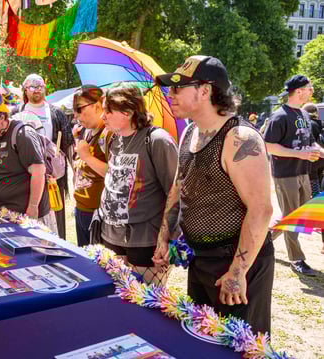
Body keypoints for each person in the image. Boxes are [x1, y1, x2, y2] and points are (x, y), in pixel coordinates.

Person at [153, 55, 275, 334]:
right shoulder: (190, 132)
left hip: (235, 264)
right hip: (200, 259)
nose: (170, 95)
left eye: (178, 88)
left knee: (238, 346)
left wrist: (238, 272)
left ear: (205, 90)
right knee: (201, 339)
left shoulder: (240, 138)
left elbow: (261, 210)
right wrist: (164, 235)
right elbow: (177, 188)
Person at [97, 85, 178, 285]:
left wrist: (167, 238)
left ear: (128, 111)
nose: (103, 117)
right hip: (111, 236)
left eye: (108, 111)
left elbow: (176, 192)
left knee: (146, 304)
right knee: (117, 301)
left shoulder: (157, 140)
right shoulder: (113, 138)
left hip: (146, 241)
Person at [263, 75, 323, 276]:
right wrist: (300, 154)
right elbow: (269, 146)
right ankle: (297, 259)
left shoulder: (304, 115)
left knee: (299, 215)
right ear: (298, 91)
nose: (311, 91)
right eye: (309, 88)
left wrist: (318, 151)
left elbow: (311, 141)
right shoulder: (279, 116)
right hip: (285, 174)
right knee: (292, 217)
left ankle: (264, 240)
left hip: (303, 172)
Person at [0, 95, 57, 232]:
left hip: (25, 215)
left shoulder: (23, 134)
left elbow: (38, 172)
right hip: (4, 213)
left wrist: (33, 207)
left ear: (1, 118)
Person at [18, 73, 74, 239]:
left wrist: (73, 171)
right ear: (25, 90)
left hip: (53, 177)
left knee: (55, 217)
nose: (37, 90)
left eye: (40, 86)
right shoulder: (18, 112)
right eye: (32, 86)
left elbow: (68, 144)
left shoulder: (56, 113)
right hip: (26, 175)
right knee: (30, 216)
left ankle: (59, 249)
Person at [71, 85, 113, 247]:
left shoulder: (108, 133)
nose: (75, 115)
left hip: (98, 215)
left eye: (79, 109)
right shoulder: (88, 132)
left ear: (97, 106)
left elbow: (114, 174)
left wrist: (87, 157)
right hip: (81, 210)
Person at [303, 102, 324, 255]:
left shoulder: (307, 125)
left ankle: (312, 222)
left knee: (307, 200)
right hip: (320, 169)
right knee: (318, 202)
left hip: (309, 168)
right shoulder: (320, 124)